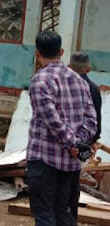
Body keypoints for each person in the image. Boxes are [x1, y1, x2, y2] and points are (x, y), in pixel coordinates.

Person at [26, 31, 97, 226]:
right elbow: (91, 119)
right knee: (64, 214)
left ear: (37, 53)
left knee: (44, 214)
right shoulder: (80, 82)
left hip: (44, 160)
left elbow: (52, 121)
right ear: (62, 51)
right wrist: (78, 143)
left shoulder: (40, 81)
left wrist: (72, 143)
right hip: (70, 163)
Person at [68, 52, 102, 226]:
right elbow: (96, 120)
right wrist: (92, 141)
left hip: (59, 142)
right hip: (81, 144)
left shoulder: (62, 85)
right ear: (88, 69)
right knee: (73, 185)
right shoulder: (92, 89)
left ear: (68, 66)